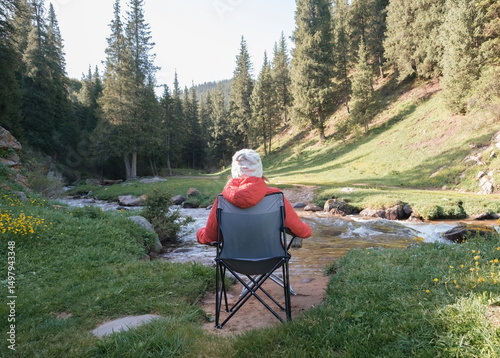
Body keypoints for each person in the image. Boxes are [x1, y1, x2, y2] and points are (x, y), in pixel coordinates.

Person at [196, 149, 312, 244]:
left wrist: (199, 232)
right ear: (259, 171)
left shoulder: (222, 200)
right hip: (272, 259)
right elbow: (300, 231)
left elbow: (210, 238)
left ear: (234, 172)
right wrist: (306, 228)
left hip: (232, 261)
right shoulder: (276, 196)